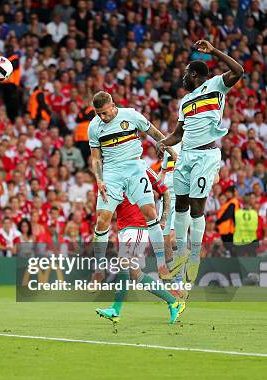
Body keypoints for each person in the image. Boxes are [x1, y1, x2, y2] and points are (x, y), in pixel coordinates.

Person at [159, 40, 244, 284]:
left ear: (194, 74)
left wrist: (215, 51)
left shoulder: (216, 86)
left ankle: (195, 256)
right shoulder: (184, 102)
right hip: (185, 154)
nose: (183, 77)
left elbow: (239, 71)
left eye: (186, 73)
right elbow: (178, 134)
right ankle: (182, 253)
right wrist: (164, 143)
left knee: (197, 207)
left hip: (206, 156)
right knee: (181, 205)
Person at [89, 91, 177, 280]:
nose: (102, 117)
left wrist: (171, 151)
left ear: (113, 106)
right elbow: (96, 157)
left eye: (105, 112)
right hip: (111, 172)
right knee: (102, 219)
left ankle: (161, 265)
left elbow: (154, 133)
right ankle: (98, 269)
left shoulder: (131, 115)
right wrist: (99, 179)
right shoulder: (94, 127)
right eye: (98, 114)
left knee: (150, 213)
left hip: (135, 166)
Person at [95, 167, 185, 324]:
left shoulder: (142, 168)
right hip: (124, 228)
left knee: (124, 263)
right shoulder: (112, 173)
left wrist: (163, 218)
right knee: (135, 274)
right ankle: (173, 302)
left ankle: (115, 310)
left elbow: (165, 192)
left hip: (137, 226)